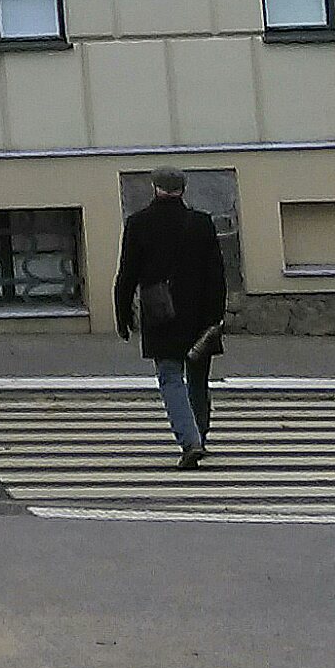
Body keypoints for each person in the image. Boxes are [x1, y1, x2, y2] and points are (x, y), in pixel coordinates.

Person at [113, 168, 230, 466]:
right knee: (198, 379)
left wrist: (122, 315)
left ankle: (190, 441)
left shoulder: (139, 223)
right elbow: (217, 274)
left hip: (160, 312)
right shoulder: (201, 223)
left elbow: (127, 274)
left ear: (155, 188)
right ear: (183, 189)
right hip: (200, 313)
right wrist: (216, 317)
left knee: (170, 377)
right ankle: (200, 435)